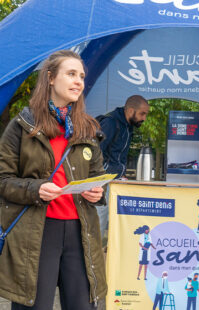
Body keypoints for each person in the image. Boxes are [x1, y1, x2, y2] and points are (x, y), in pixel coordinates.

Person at [0, 50, 107, 309]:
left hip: (80, 233)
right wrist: (36, 189)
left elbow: (96, 177)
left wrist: (97, 193)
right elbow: (3, 180)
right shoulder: (23, 125)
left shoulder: (88, 129)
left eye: (81, 76)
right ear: (50, 78)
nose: (78, 81)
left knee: (82, 305)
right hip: (36, 232)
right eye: (71, 74)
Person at [98, 95, 149, 179]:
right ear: (130, 111)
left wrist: (121, 174)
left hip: (116, 180)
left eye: (146, 114)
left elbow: (119, 156)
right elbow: (95, 152)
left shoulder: (128, 127)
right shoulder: (109, 123)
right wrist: (106, 173)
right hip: (103, 180)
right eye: (142, 113)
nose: (144, 118)